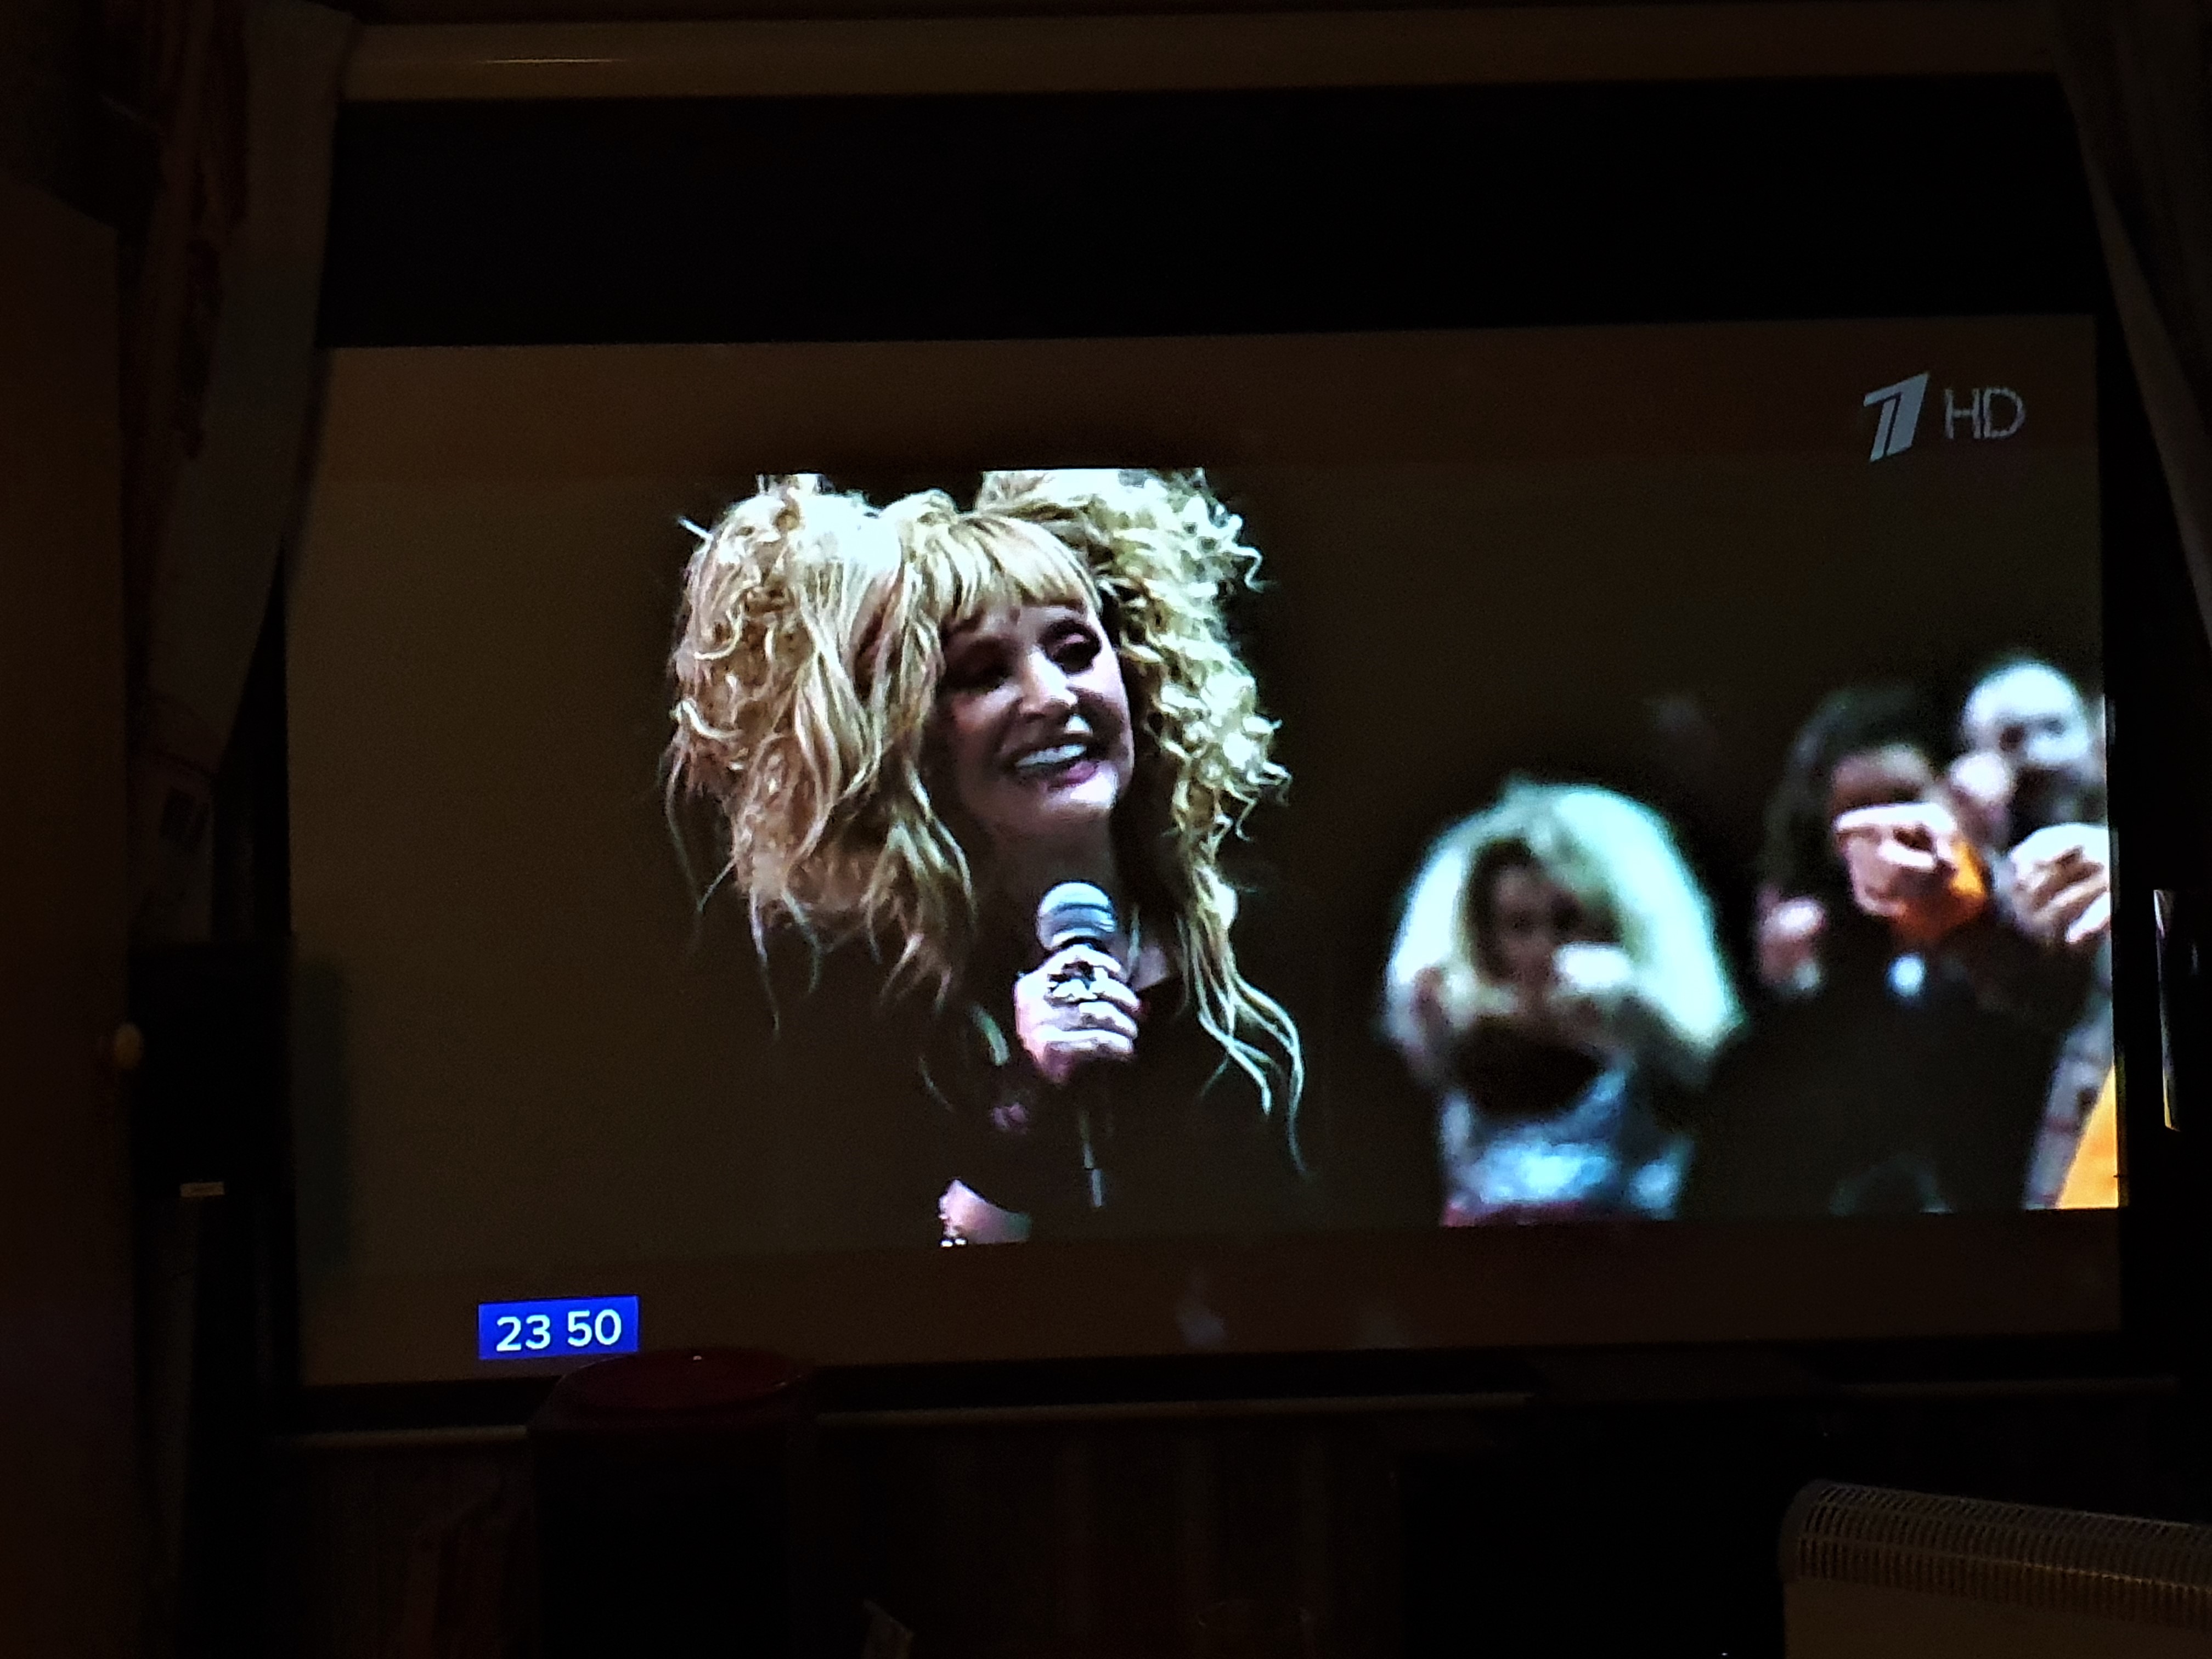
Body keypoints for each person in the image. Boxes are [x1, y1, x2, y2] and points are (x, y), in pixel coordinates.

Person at [665, 470, 1306, 1245]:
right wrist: (1026, 1103)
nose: (1052, 698)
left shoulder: (1259, 944)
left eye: (1075, 651)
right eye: (984, 674)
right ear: (917, 732)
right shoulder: (867, 1005)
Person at [1382, 781, 1742, 1223]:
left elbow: (1705, 1074)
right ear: (1485, 935)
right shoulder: (1464, 1046)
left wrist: (1637, 1018)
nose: (1543, 948)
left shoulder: (1652, 1047)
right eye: (1519, 925)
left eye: (1566, 920)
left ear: (1613, 920)